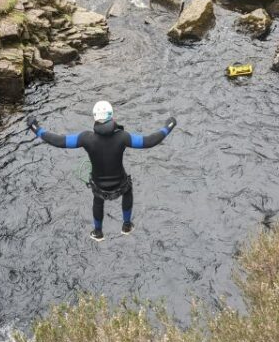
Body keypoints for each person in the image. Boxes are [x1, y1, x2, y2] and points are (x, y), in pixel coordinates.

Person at [26, 101, 177, 241]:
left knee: (97, 200)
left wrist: (36, 128)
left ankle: (98, 232)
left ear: (95, 118)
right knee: (128, 190)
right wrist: (168, 127)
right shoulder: (123, 137)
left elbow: (59, 141)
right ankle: (126, 225)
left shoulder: (86, 138)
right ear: (112, 117)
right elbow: (148, 142)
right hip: (120, 185)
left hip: (99, 188)